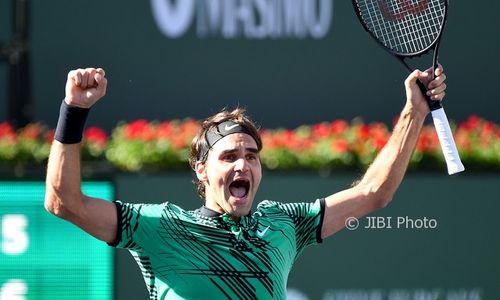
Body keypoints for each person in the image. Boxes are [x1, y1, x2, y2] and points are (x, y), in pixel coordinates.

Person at [45, 65, 447, 299]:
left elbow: (373, 194)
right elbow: (63, 202)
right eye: (229, 156)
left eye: (251, 157)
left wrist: (414, 111)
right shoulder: (159, 227)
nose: (244, 165)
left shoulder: (285, 224)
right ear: (201, 171)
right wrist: (74, 110)